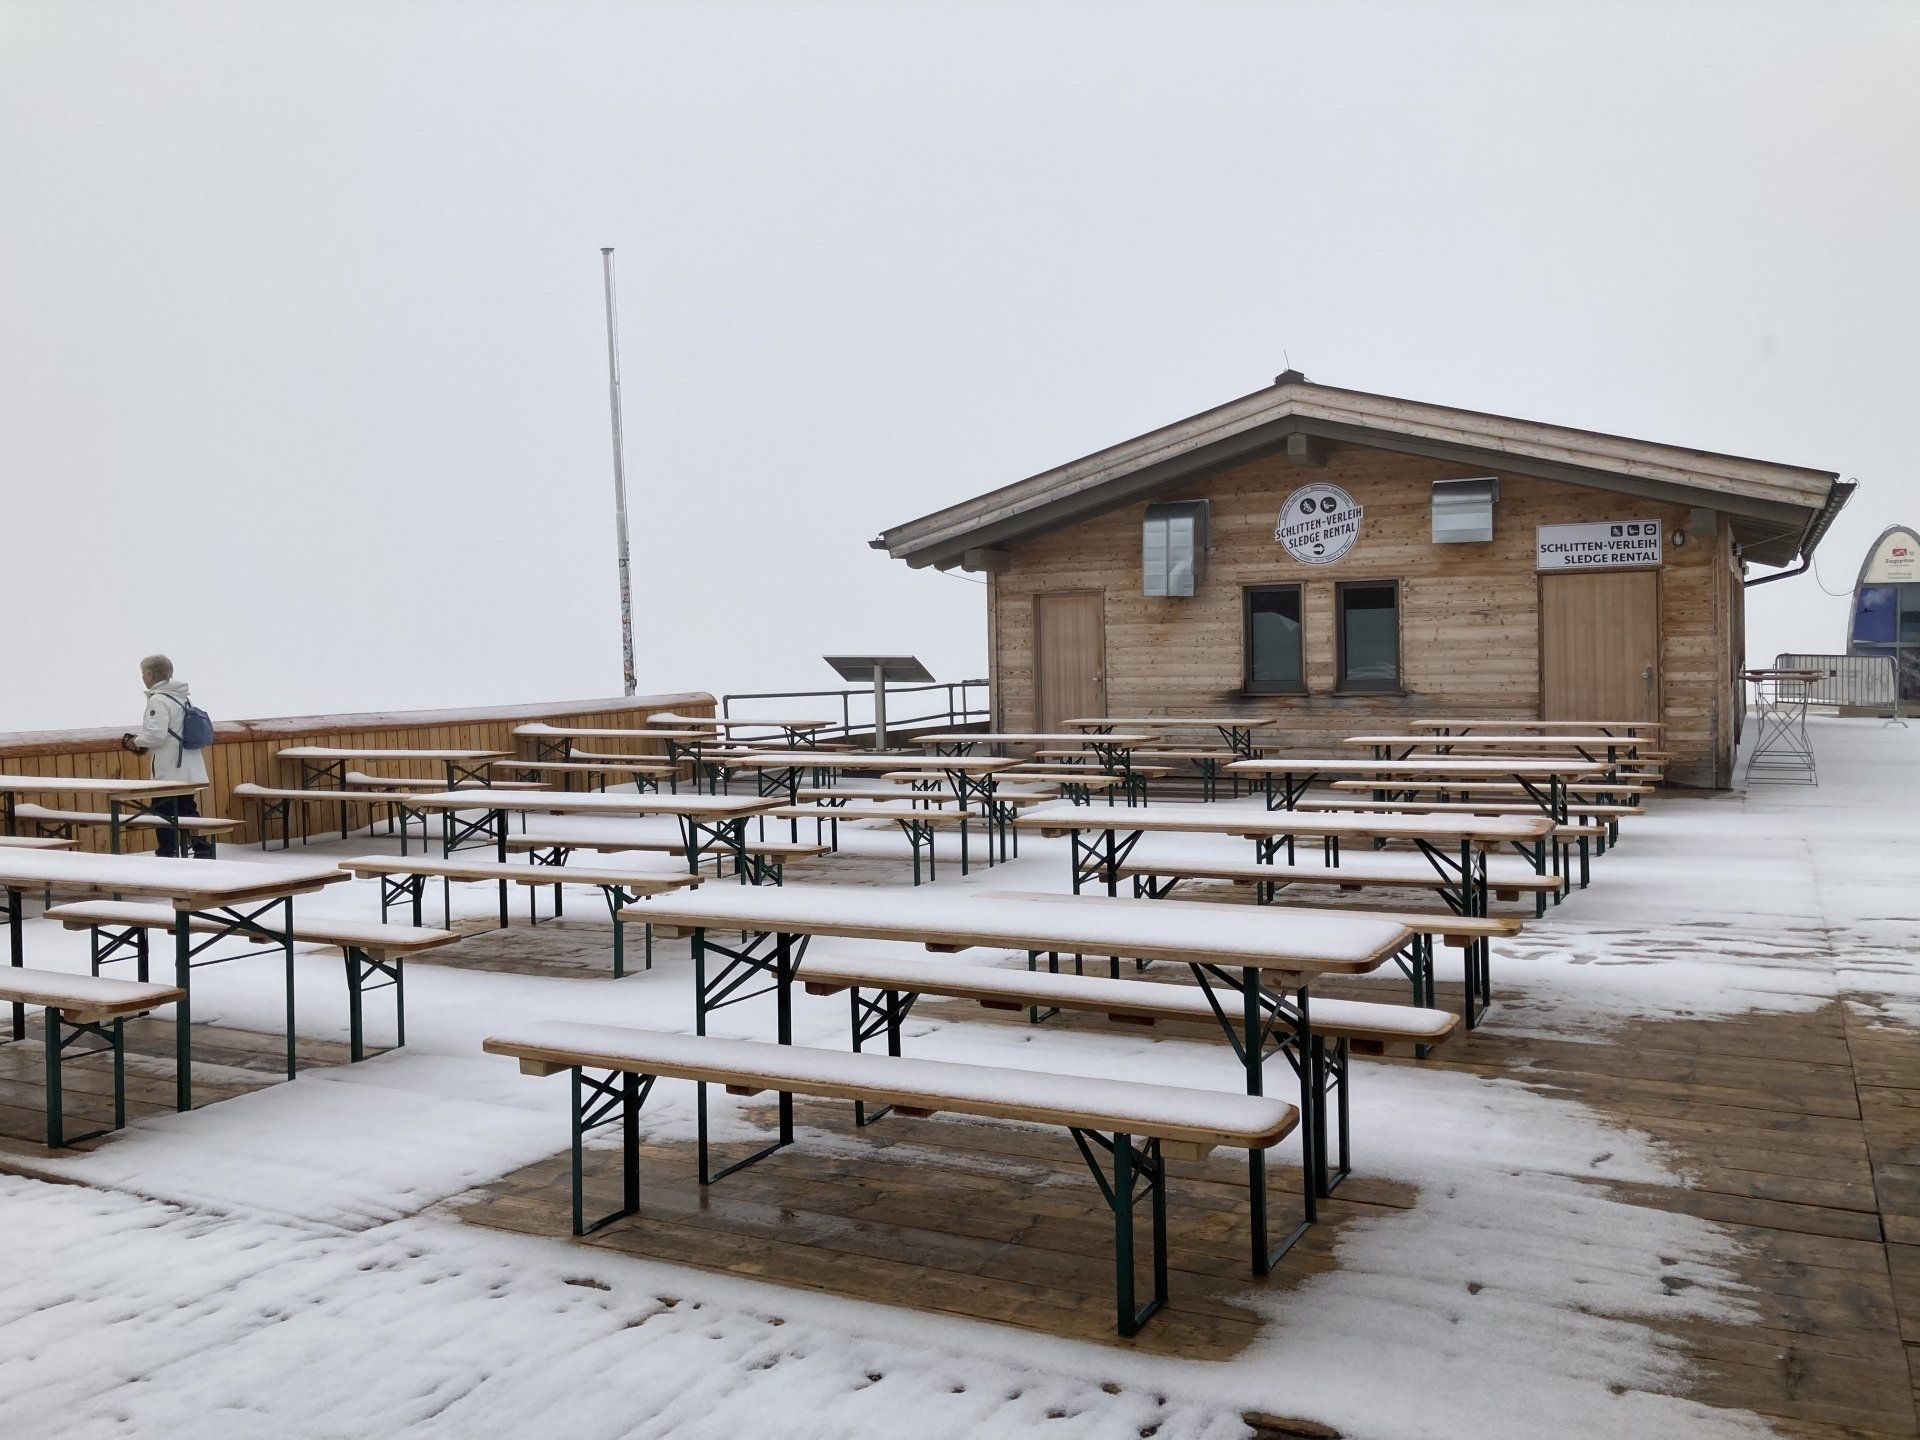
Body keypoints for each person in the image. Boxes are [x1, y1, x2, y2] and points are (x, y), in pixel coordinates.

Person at [121, 654, 214, 858]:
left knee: (162, 812)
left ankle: (166, 853)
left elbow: (156, 735)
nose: (142, 676)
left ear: (151, 674)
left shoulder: (158, 700)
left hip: (169, 769)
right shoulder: (181, 697)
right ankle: (202, 850)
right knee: (188, 809)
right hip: (189, 767)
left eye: (143, 672)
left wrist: (135, 741)